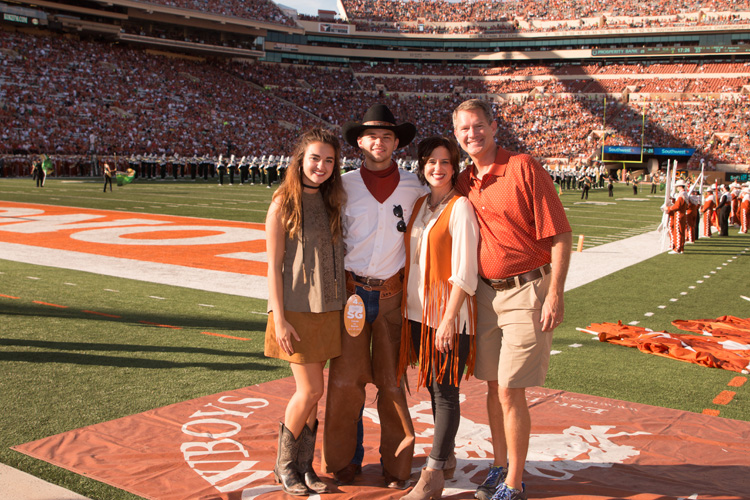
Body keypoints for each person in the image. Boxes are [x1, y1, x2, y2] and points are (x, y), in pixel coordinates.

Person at [452, 99, 572, 500]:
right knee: (491, 386)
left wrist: (555, 292)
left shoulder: (523, 166)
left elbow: (560, 234)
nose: (473, 134)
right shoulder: (464, 179)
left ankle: (514, 483)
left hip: (528, 289)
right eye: (464, 129)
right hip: (487, 294)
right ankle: (499, 466)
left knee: (509, 389)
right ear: (457, 136)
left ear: (493, 125)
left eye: (478, 126)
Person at [322, 103, 426, 489]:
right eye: (372, 136)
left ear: (396, 142)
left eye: (386, 136)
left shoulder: (417, 183)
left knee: (392, 383)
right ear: (359, 142)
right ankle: (341, 462)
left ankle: (397, 466)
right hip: (351, 293)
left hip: (393, 295)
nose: (379, 142)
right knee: (345, 383)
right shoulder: (343, 184)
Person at [264, 127, 347, 496]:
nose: (322, 166)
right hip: (295, 311)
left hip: (328, 308)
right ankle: (283, 465)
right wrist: (278, 317)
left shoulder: (333, 200)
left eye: (329, 160)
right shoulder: (283, 201)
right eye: (315, 158)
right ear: (300, 160)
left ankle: (304, 465)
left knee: (316, 393)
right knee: (310, 389)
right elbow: (272, 265)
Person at [397, 136, 479, 500]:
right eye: (431, 161)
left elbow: (466, 270)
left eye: (445, 162)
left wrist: (448, 319)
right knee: (433, 386)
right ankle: (446, 459)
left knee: (445, 392)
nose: (438, 168)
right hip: (417, 312)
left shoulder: (460, 207)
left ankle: (433, 475)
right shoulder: (419, 204)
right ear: (422, 165)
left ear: (455, 167)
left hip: (447, 313)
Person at [665, 179, 688, 253]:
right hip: (682, 213)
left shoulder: (681, 195)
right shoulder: (684, 194)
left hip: (679, 214)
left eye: (677, 186)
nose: (677, 188)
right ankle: (681, 248)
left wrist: (668, 208)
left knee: (678, 231)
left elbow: (677, 206)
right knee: (681, 231)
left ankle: (677, 248)